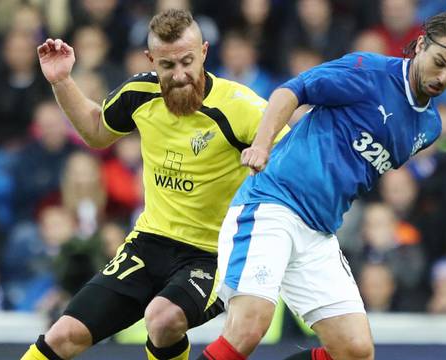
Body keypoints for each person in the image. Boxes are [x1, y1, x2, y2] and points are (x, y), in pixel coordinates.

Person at [197, 9, 446, 360]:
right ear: (421, 44)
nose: (442, 77)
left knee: (355, 351)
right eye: (439, 62)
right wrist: (261, 144)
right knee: (249, 327)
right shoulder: (369, 71)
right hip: (273, 204)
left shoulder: (430, 127)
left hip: (319, 231)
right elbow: (292, 91)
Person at [21, 9, 287, 360]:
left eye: (187, 62)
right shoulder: (139, 93)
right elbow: (97, 132)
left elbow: (291, 159)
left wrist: (266, 159)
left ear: (205, 52)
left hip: (213, 254)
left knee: (161, 319)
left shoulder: (241, 107)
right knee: (64, 334)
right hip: (149, 243)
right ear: (151, 60)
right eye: (167, 66)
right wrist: (61, 81)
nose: (179, 75)